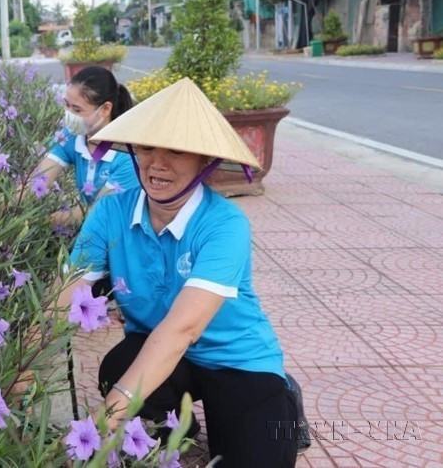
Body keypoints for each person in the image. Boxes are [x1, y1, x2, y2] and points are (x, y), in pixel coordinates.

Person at [28, 77, 302, 466]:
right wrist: (22, 367)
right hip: (163, 353)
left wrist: (107, 418)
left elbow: (183, 329)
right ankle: (179, 428)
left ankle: (285, 397)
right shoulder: (110, 212)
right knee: (119, 369)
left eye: (176, 150)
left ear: (205, 161)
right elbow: (66, 293)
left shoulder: (224, 224)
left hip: (235, 359)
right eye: (146, 147)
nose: (157, 162)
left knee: (255, 455)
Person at [23, 66, 139, 227]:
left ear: (105, 109)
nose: (69, 114)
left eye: (77, 109)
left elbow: (96, 212)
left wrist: (37, 222)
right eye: (67, 105)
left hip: (121, 231)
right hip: (90, 231)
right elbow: (38, 181)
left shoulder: (128, 155)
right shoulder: (70, 136)